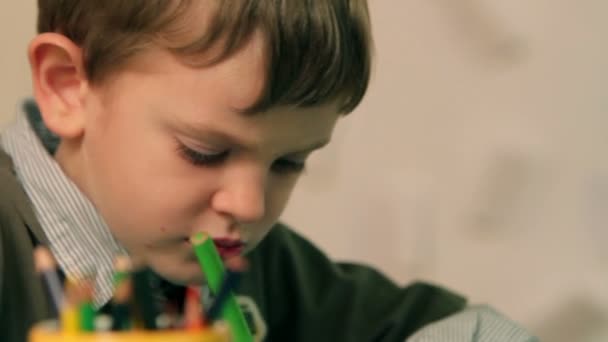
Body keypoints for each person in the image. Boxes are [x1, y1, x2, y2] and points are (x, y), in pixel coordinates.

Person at [0, 1, 537, 341]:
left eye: (289, 162)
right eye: (204, 152)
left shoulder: (257, 266)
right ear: (68, 87)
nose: (251, 205)